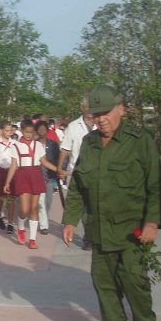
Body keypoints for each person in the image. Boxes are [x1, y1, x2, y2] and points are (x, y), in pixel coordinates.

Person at [62, 85, 161, 321]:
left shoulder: (139, 141)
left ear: (122, 109)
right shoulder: (90, 143)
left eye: (105, 112)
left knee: (136, 288)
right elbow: (78, 186)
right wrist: (70, 220)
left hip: (131, 233)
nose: (100, 119)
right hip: (100, 231)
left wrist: (152, 221)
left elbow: (155, 185)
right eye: (95, 114)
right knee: (105, 288)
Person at [3, 119, 56, 249]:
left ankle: (32, 239)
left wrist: (57, 169)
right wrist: (7, 182)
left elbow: (43, 161)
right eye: (26, 132)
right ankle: (21, 227)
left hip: (35, 175)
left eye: (31, 132)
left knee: (34, 208)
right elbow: (14, 165)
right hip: (22, 176)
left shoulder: (37, 145)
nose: (29, 135)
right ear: (21, 131)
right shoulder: (16, 146)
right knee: (24, 210)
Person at [58, 99, 97, 249]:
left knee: (94, 206)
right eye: (86, 106)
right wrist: (60, 167)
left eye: (91, 106)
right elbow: (65, 149)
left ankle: (93, 234)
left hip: (97, 172)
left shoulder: (100, 124)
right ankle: (89, 237)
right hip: (78, 172)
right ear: (82, 108)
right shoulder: (73, 127)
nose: (89, 109)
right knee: (83, 206)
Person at [35, 120, 60, 235]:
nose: (42, 132)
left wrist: (59, 170)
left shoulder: (53, 144)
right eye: (39, 130)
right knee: (40, 202)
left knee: (48, 201)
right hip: (37, 176)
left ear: (47, 131)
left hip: (50, 176)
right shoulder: (34, 144)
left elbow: (58, 159)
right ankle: (43, 225)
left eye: (44, 129)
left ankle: (43, 219)